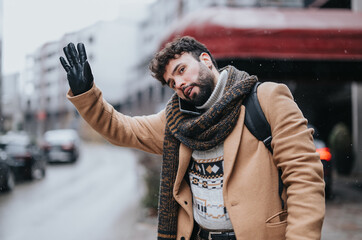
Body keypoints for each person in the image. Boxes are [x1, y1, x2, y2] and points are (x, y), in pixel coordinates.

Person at [60, 36, 325, 240]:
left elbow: (304, 177)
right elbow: (121, 128)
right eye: (171, 83)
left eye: (181, 69)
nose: (179, 84)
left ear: (207, 61)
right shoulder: (176, 122)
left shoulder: (265, 99)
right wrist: (87, 94)